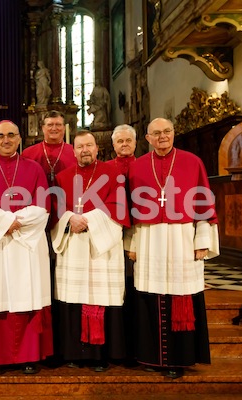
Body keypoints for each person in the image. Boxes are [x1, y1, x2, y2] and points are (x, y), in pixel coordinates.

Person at [127, 117, 219, 379]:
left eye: (167, 131)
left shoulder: (193, 162)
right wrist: (131, 243)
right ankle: (148, 356)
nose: (162, 137)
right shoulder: (138, 167)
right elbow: (132, 211)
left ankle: (181, 357)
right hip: (148, 237)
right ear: (147, 138)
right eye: (156, 133)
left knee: (181, 294)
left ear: (174, 133)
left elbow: (203, 202)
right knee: (149, 295)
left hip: (182, 237)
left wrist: (202, 240)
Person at [0, 120, 53, 375]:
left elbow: (43, 204)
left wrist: (16, 223)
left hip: (26, 243)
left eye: (11, 135)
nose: (6, 140)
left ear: (19, 139)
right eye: (1, 136)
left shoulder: (34, 168)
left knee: (27, 294)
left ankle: (29, 355)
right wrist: (6, 222)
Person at [51, 131, 129, 371]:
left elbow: (118, 206)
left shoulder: (113, 174)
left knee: (100, 298)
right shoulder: (62, 177)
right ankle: (73, 353)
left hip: (101, 248)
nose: (85, 150)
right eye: (79, 146)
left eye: (89, 145)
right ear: (72, 151)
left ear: (97, 149)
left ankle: (100, 355)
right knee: (72, 299)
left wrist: (88, 220)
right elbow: (55, 209)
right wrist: (68, 219)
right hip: (73, 245)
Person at [105, 124, 138, 366]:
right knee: (117, 285)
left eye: (128, 140)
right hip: (112, 232)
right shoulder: (106, 170)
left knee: (137, 285)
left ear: (136, 143)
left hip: (141, 231)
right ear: (113, 145)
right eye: (120, 141)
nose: (124, 144)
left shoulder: (145, 165)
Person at [21, 110, 76, 186]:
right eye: (50, 125)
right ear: (43, 128)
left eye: (58, 125)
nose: (54, 128)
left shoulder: (75, 152)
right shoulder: (28, 153)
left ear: (64, 128)